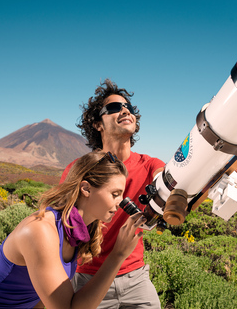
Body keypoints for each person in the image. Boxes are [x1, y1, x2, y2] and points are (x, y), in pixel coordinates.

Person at [0, 151, 146, 309]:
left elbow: (41, 299)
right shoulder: (40, 231)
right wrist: (117, 255)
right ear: (86, 189)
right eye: (115, 194)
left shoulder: (75, 232)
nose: (121, 203)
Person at [61, 79, 164, 309]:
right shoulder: (78, 170)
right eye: (115, 108)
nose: (125, 110)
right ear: (98, 124)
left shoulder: (150, 165)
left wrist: (217, 168)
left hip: (136, 278)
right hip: (89, 280)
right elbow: (62, 224)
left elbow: (169, 179)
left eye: (129, 107)